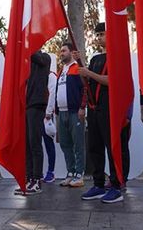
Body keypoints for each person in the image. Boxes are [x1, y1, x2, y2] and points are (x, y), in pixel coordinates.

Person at [79, 23, 127, 203]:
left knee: (112, 147)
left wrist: (88, 73)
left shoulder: (117, 56)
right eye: (96, 35)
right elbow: (90, 84)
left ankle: (116, 185)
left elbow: (112, 80)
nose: (99, 38)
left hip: (110, 108)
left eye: (102, 34)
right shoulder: (96, 59)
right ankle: (98, 184)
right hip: (94, 109)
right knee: (95, 147)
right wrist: (84, 71)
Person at [13, 50, 51, 195]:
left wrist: (26, 44)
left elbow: (37, 57)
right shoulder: (27, 62)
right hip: (26, 105)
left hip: (37, 104)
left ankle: (37, 180)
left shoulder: (44, 58)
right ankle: (29, 179)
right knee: (27, 144)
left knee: (35, 143)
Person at [54, 42, 86, 188]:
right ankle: (70, 173)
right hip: (61, 112)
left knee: (78, 144)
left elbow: (85, 88)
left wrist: (82, 107)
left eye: (64, 51)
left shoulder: (77, 68)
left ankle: (79, 174)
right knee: (65, 144)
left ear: (72, 52)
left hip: (74, 112)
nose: (61, 53)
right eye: (60, 51)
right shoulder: (61, 70)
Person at [43, 70, 58, 183]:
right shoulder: (34, 75)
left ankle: (51, 172)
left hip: (46, 115)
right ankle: (35, 173)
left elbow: (53, 93)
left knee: (48, 143)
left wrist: (48, 112)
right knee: (34, 144)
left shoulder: (50, 75)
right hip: (35, 113)